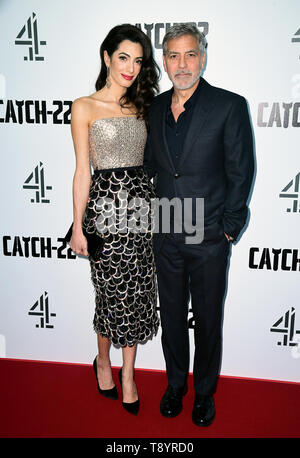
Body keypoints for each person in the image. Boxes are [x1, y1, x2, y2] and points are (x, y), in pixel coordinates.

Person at [144, 24, 254, 426]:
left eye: (190, 54)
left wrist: (228, 228)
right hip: (167, 232)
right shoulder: (154, 109)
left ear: (203, 57)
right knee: (172, 315)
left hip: (208, 235)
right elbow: (155, 169)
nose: (182, 64)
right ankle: (176, 384)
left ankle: (204, 392)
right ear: (165, 61)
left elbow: (240, 171)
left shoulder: (229, 106)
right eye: (174, 56)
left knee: (208, 319)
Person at [69, 24, 160, 416]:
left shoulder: (142, 106)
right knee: (111, 295)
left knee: (136, 293)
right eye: (123, 57)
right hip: (104, 215)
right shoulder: (84, 106)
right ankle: (103, 361)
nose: (131, 68)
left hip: (141, 212)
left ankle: (127, 375)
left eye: (138, 60)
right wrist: (77, 225)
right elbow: (82, 171)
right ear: (106, 57)